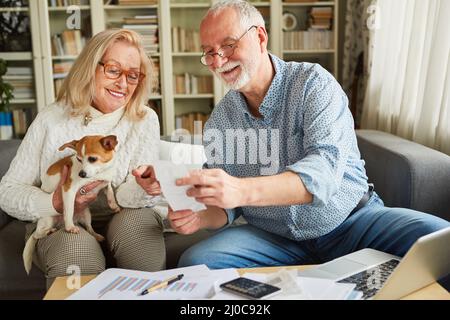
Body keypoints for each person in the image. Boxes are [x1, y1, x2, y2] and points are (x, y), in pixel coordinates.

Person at [167, 0, 450, 269]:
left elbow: (323, 174)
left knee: (442, 243)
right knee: (197, 262)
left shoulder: (313, 84)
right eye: (209, 52)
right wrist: (200, 217)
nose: (218, 61)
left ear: (260, 37)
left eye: (228, 45)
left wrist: (241, 189)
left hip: (352, 222)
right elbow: (227, 208)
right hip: (273, 238)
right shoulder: (219, 121)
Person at [0, 29, 167, 288]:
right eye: (113, 70)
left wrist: (147, 188)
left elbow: (126, 196)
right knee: (78, 256)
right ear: (90, 67)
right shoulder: (52, 119)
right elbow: (8, 191)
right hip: (62, 219)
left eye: (133, 75)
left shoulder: (144, 119)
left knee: (138, 238)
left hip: (123, 214)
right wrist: (54, 203)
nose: (123, 84)